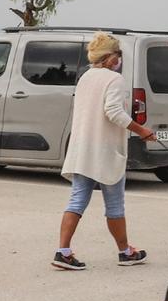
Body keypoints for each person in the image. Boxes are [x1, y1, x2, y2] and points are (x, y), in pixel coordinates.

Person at [52, 32, 156, 270]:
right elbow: (114, 112)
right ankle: (125, 251)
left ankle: (63, 251)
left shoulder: (86, 77)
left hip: (82, 149)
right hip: (105, 151)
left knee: (77, 199)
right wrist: (142, 130)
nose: (120, 59)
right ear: (109, 58)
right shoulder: (113, 79)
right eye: (118, 54)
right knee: (115, 205)